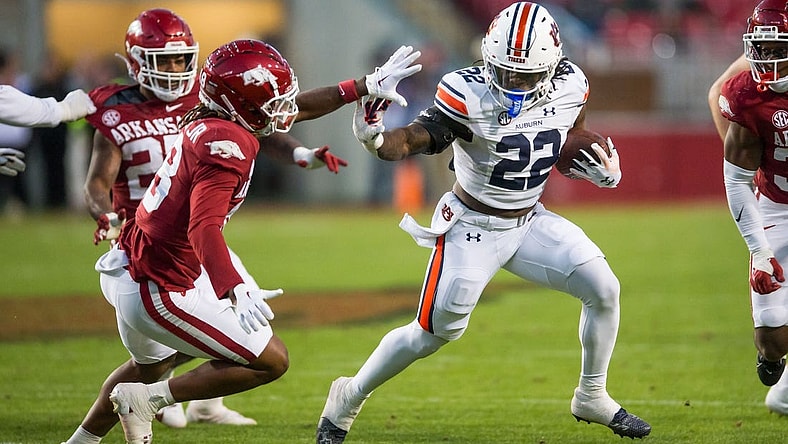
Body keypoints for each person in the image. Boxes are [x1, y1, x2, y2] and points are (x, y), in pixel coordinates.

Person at [316, 3, 651, 442]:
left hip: (530, 220)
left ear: (552, 66)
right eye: (503, 70)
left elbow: (569, 137)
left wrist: (596, 168)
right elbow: (418, 136)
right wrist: (377, 138)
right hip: (472, 225)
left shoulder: (571, 84)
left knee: (604, 288)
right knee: (432, 334)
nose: (512, 82)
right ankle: (348, 396)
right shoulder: (467, 91)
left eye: (524, 74)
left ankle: (592, 395)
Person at [80, 8, 420, 431]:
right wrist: (233, 288)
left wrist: (363, 86)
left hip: (154, 260)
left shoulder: (213, 115)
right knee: (269, 359)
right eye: (271, 102)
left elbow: (294, 108)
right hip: (163, 275)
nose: (283, 109)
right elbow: (202, 227)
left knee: (160, 362)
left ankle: (89, 435)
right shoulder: (228, 141)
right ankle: (148, 401)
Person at [714, 0, 788, 416]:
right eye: (761, 48)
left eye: (779, 50)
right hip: (777, 206)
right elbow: (737, 181)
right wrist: (759, 252)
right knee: (772, 341)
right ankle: (775, 362)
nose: (767, 60)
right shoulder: (745, 95)